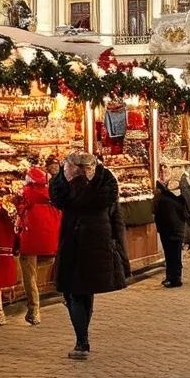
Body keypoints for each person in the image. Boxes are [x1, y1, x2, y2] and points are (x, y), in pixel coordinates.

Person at [49, 151, 130, 360]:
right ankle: (82, 339)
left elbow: (57, 195)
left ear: (71, 169)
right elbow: (117, 221)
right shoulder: (106, 187)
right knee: (86, 291)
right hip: (100, 246)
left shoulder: (66, 191)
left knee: (74, 293)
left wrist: (61, 175)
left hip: (74, 246)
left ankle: (81, 342)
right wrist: (122, 253)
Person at [15, 166, 61, 325]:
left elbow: (18, 209)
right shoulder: (53, 194)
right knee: (46, 262)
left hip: (30, 239)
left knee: (29, 274)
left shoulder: (24, 193)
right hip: (50, 240)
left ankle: (34, 310)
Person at [153, 163, 190, 287]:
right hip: (166, 226)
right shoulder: (164, 193)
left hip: (174, 227)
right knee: (170, 253)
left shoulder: (178, 195)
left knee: (173, 253)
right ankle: (171, 276)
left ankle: (175, 278)